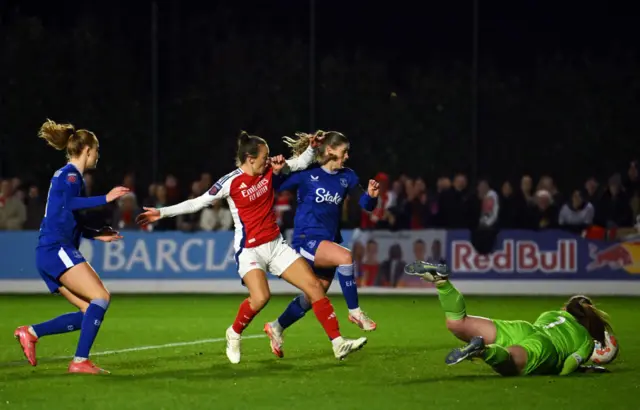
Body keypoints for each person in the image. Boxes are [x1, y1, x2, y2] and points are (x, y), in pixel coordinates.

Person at [136, 131, 367, 363]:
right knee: (261, 297)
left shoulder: (268, 170)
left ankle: (338, 343)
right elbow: (198, 202)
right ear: (250, 158)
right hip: (250, 250)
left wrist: (311, 148)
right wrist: (162, 212)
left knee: (315, 288)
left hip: (276, 246)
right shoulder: (230, 182)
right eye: (264, 157)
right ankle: (234, 332)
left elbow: (300, 163)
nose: (268, 160)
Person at [14, 119, 129, 374]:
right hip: (56, 249)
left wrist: (95, 234)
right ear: (87, 149)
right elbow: (70, 204)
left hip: (48, 252)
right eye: (96, 150)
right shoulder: (70, 175)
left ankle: (30, 333)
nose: (97, 156)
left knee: (89, 310)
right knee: (101, 297)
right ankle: (79, 362)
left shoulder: (68, 177)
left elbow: (68, 215)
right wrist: (105, 198)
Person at [263, 131, 379, 358]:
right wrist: (276, 173)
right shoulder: (308, 174)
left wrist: (372, 196)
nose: (347, 156)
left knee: (313, 296)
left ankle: (276, 327)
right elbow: (276, 186)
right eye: (344, 151)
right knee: (345, 257)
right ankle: (355, 312)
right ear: (330, 150)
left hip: (327, 241)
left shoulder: (348, 176)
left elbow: (366, 204)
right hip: (307, 239)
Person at [403, 260, 613, 376]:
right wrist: (576, 368)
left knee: (459, 323)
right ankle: (483, 350)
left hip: (522, 329)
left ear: (565, 308)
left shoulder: (552, 313)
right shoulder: (585, 341)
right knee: (511, 361)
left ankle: (442, 283)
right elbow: (567, 367)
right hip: (544, 347)